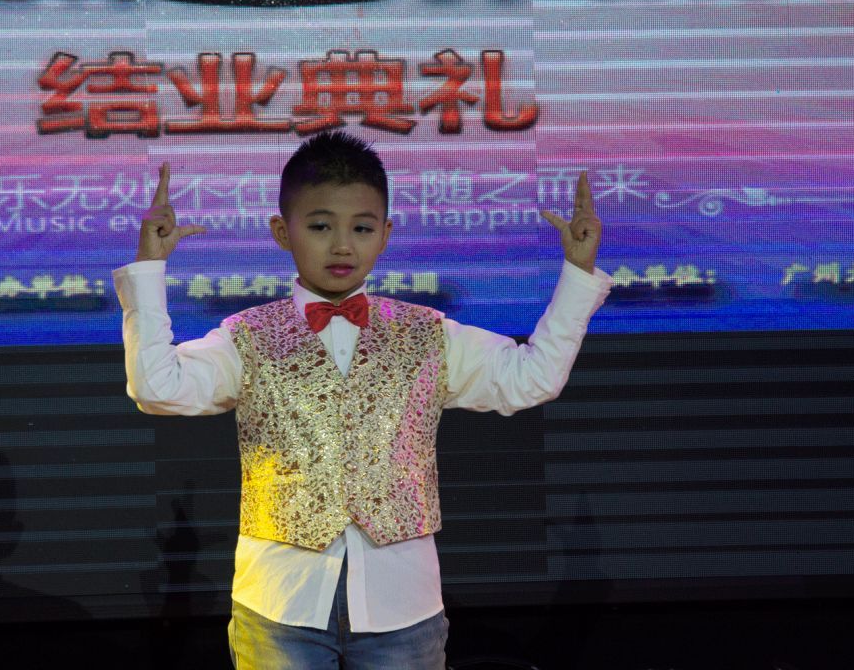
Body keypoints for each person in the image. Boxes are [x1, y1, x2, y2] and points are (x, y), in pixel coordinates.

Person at [112, 131, 611, 669]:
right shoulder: (246, 337)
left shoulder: (427, 334)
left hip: (403, 604)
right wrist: (150, 268)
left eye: (362, 228)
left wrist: (578, 273)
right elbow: (156, 388)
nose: (342, 246)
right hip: (280, 602)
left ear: (386, 234)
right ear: (282, 231)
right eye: (320, 226)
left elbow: (532, 377)